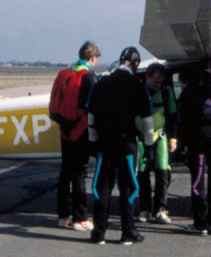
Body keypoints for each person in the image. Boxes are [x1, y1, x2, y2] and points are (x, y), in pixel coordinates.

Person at [87, 46, 154, 245]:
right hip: (127, 144)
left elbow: (91, 117)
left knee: (103, 187)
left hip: (105, 142)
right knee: (129, 186)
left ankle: (99, 232)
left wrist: (92, 142)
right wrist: (149, 146)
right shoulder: (137, 85)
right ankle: (128, 232)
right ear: (135, 64)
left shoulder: (101, 82)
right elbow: (148, 121)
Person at [49, 40, 100, 231]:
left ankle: (63, 216)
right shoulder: (88, 77)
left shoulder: (65, 74)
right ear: (92, 58)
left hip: (65, 131)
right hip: (81, 132)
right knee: (80, 173)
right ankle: (80, 218)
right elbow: (92, 107)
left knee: (65, 172)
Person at [178, 69, 211, 235]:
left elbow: (181, 122)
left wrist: (182, 145)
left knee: (198, 181)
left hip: (198, 141)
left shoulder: (188, 94)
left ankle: (200, 223)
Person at [135, 62, 177, 224]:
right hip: (141, 138)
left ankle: (160, 209)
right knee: (143, 174)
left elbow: (173, 116)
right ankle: (145, 209)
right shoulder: (138, 92)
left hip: (160, 137)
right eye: (154, 81)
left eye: (160, 82)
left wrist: (173, 138)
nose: (157, 84)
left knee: (163, 172)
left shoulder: (166, 92)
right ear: (147, 77)